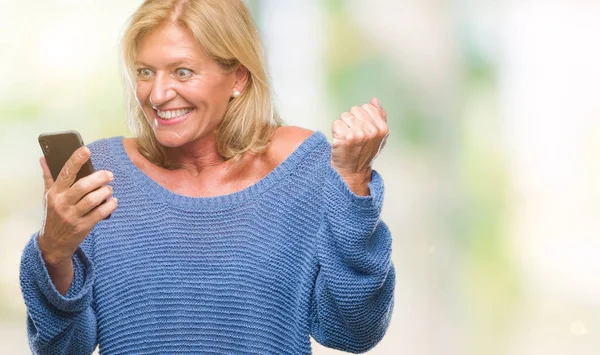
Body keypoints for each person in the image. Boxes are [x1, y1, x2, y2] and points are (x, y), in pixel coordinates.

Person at [19, 0, 395, 354]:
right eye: (145, 72)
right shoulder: (101, 175)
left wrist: (353, 180)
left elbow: (353, 330)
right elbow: (63, 349)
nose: (158, 94)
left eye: (182, 71)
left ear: (238, 78)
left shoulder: (301, 167)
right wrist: (53, 252)